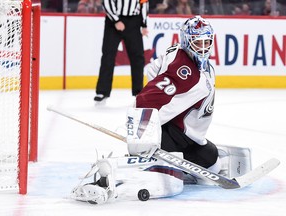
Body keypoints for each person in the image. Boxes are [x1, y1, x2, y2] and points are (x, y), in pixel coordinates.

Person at [70, 16, 251, 204]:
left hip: (182, 134)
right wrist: (145, 132)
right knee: (181, 176)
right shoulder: (187, 74)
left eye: (207, 42)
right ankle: (116, 178)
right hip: (169, 134)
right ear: (187, 42)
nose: (204, 47)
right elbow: (145, 99)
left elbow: (153, 69)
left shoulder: (178, 54)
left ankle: (168, 163)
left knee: (212, 163)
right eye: (198, 43)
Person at [94, 0, 149, 102]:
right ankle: (102, 91)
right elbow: (107, 2)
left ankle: (138, 91)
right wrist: (116, 20)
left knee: (137, 57)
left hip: (133, 21)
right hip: (113, 21)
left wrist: (144, 24)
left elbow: (144, 3)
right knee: (108, 55)